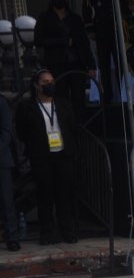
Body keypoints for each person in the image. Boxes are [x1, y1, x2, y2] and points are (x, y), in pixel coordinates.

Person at [15, 69, 79, 245]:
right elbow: (22, 130)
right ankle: (47, 232)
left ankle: (68, 230)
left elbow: (72, 126)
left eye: (51, 81)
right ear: (37, 85)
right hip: (42, 156)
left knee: (64, 194)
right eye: (45, 82)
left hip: (62, 154)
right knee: (45, 194)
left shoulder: (63, 104)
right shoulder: (27, 106)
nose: (49, 84)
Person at [34, 0, 97, 119]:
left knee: (78, 98)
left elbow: (84, 43)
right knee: (61, 98)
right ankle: (65, 127)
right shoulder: (45, 18)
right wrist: (60, 41)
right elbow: (38, 40)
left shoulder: (75, 18)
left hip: (76, 63)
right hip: (57, 65)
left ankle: (80, 128)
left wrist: (91, 65)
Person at [0, 94, 20, 252]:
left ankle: (12, 237)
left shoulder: (1, 101)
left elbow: (6, 130)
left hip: (2, 160)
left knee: (7, 201)